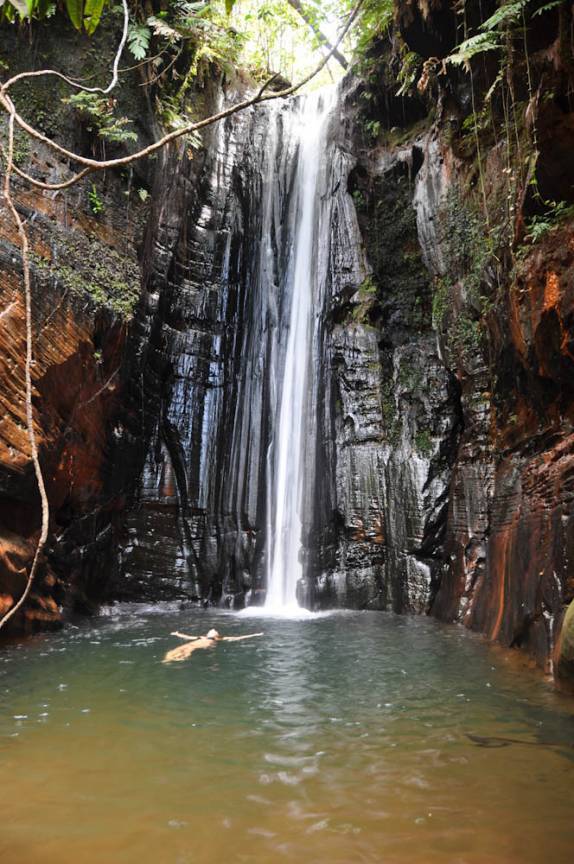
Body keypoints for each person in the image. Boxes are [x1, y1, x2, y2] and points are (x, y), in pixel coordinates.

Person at [162, 628, 263, 664]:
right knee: (183, 657)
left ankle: (166, 660)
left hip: (190, 645)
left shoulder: (201, 637)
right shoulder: (216, 639)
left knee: (173, 653)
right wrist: (254, 635)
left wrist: (177, 634)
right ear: (215, 636)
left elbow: (187, 637)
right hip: (192, 647)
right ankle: (168, 661)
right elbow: (237, 638)